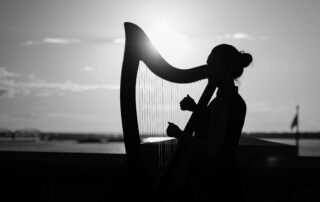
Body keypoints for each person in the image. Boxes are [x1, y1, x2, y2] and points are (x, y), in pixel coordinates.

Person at [166, 44, 252, 201]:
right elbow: (221, 125)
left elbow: (212, 149)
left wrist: (178, 134)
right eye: (207, 64)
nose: (207, 70)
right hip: (229, 177)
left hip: (214, 184)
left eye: (212, 65)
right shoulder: (238, 101)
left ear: (226, 70)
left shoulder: (220, 103)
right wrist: (195, 108)